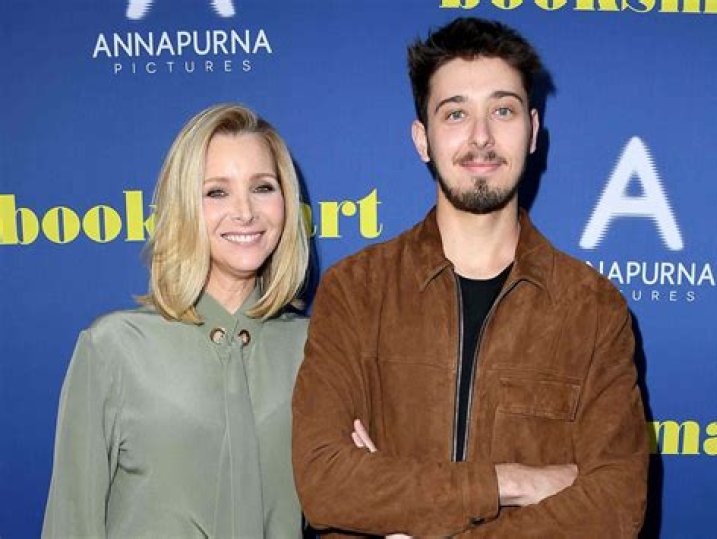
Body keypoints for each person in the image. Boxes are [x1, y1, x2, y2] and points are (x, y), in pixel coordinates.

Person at [292, 17, 647, 538]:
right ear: (422, 139)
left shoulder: (591, 309)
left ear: (532, 131)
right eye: (456, 113)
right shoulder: (356, 291)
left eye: (502, 110)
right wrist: (509, 482)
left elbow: (615, 506)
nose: (481, 137)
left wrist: (400, 501)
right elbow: (326, 483)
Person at [43, 103, 309, 538]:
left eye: (262, 187)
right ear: (182, 205)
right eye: (216, 192)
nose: (245, 211)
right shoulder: (113, 348)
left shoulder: (315, 348)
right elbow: (70, 525)